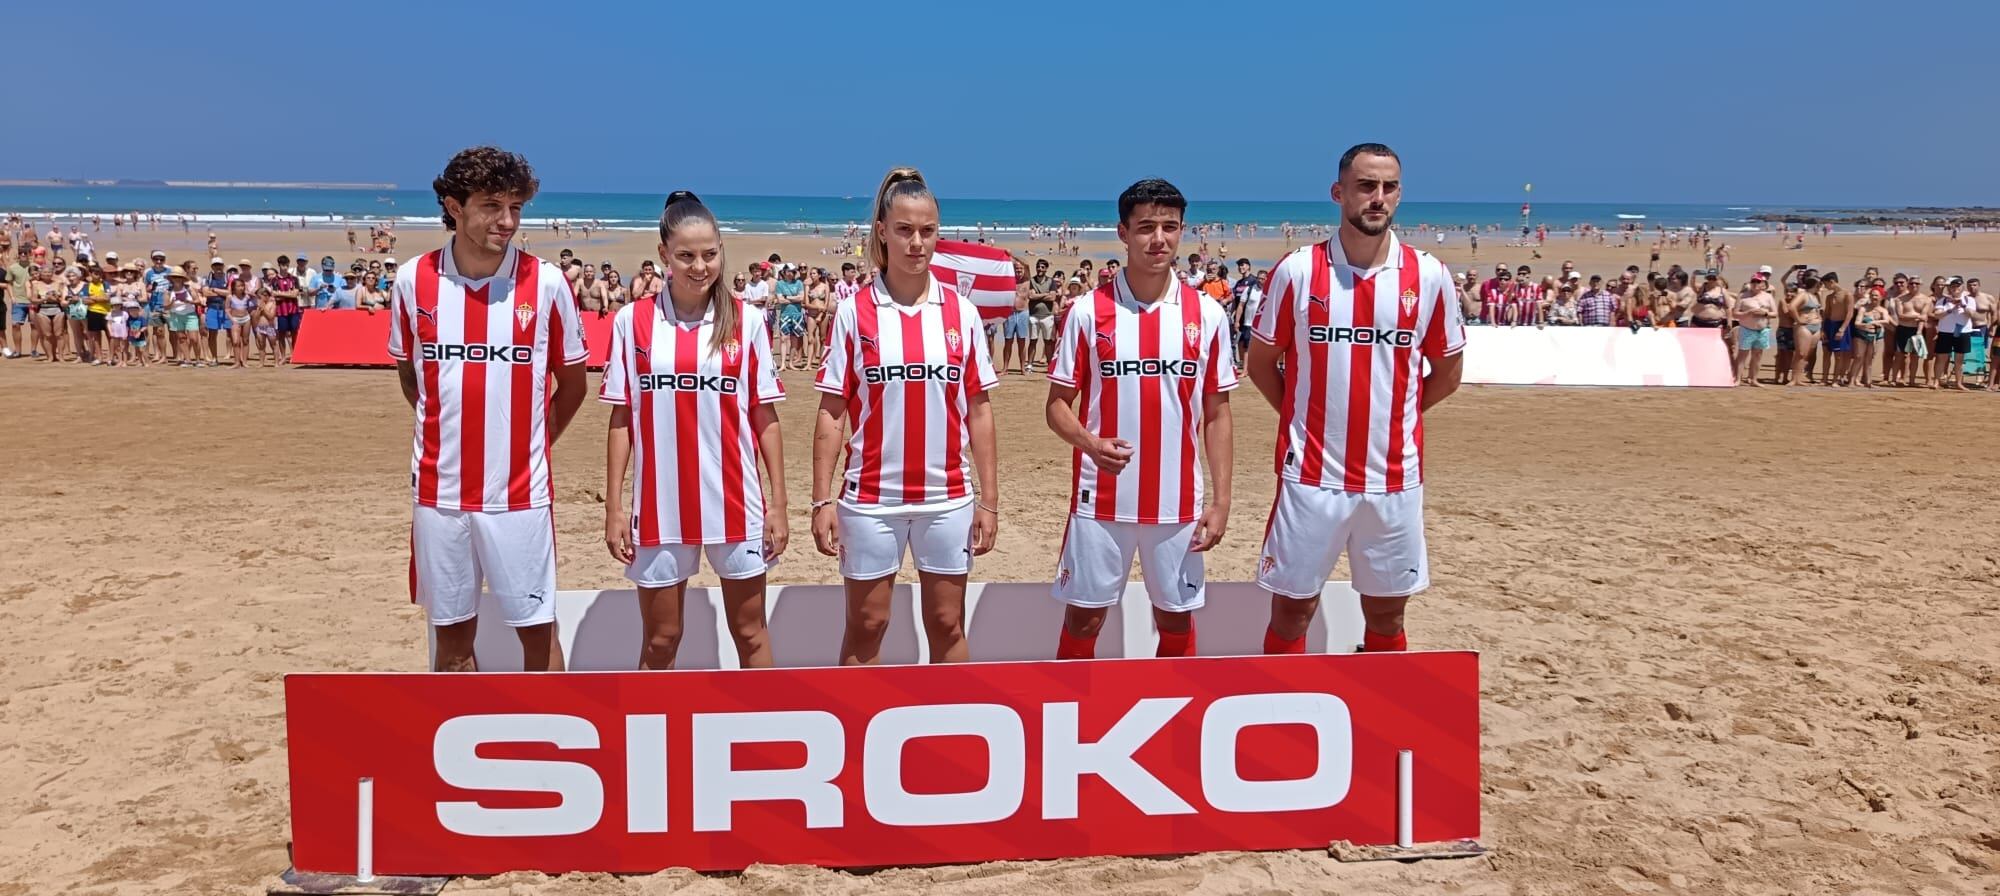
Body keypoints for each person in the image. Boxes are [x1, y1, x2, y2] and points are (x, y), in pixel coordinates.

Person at [1245, 143, 1465, 654]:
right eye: (1366, 186)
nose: (1377, 198)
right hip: (1312, 477)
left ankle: (1382, 724)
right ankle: (1284, 718)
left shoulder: (1427, 275)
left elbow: (1449, 372)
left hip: (1394, 476)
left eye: (1388, 188)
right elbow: (1260, 364)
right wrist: (1307, 419)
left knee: (1387, 615)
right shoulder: (1298, 271)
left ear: (1399, 195)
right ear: (1339, 192)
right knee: (1293, 610)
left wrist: (1398, 415)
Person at [387, 146, 588, 673]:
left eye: (516, 207)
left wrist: (531, 439)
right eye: (492, 205)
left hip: (519, 493)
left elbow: (572, 384)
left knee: (538, 639)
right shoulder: (412, 280)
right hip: (440, 493)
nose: (507, 221)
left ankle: (552, 745)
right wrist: (445, 423)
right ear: (453, 206)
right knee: (451, 644)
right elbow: (411, 373)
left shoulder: (545, 282)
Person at [810, 167, 1000, 666]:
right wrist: (821, 499)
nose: (917, 243)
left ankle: (956, 732)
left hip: (947, 499)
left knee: (946, 623)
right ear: (882, 231)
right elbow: (832, 412)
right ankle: (856, 735)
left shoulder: (961, 312)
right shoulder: (855, 313)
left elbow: (980, 412)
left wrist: (991, 501)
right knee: (868, 625)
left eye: (928, 231)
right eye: (905, 230)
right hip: (870, 499)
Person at [1044, 179, 1236, 659]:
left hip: (1177, 502)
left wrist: (1223, 500)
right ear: (1123, 233)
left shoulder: (1207, 315)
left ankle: (1178, 725)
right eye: (1146, 227)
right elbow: (1055, 406)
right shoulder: (1089, 312)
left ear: (1182, 232)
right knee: (1085, 619)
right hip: (1100, 500)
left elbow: (1217, 414)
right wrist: (1091, 444)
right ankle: (1074, 721)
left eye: (1170, 227)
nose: (1159, 239)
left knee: (1175, 620)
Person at [601, 191, 789, 670]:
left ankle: (764, 741)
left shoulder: (746, 322)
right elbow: (622, 419)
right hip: (660, 506)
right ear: (664, 254)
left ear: (722, 250)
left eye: (709, 254)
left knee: (750, 634)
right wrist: (616, 507)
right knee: (662, 639)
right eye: (685, 256)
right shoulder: (633, 322)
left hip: (736, 502)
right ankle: (649, 741)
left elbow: (765, 418)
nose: (699, 266)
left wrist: (780, 505)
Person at [1733, 272, 1778, 385]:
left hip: (1762, 329)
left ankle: (1754, 379)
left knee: (1757, 355)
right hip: (1747, 328)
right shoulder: (1743, 296)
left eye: (1758, 281)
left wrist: (1765, 313)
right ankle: (1738, 379)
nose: (1755, 284)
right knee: (1743, 354)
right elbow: (1735, 313)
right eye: (1753, 281)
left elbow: (1775, 313)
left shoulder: (1768, 296)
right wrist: (1748, 313)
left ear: (1763, 284)